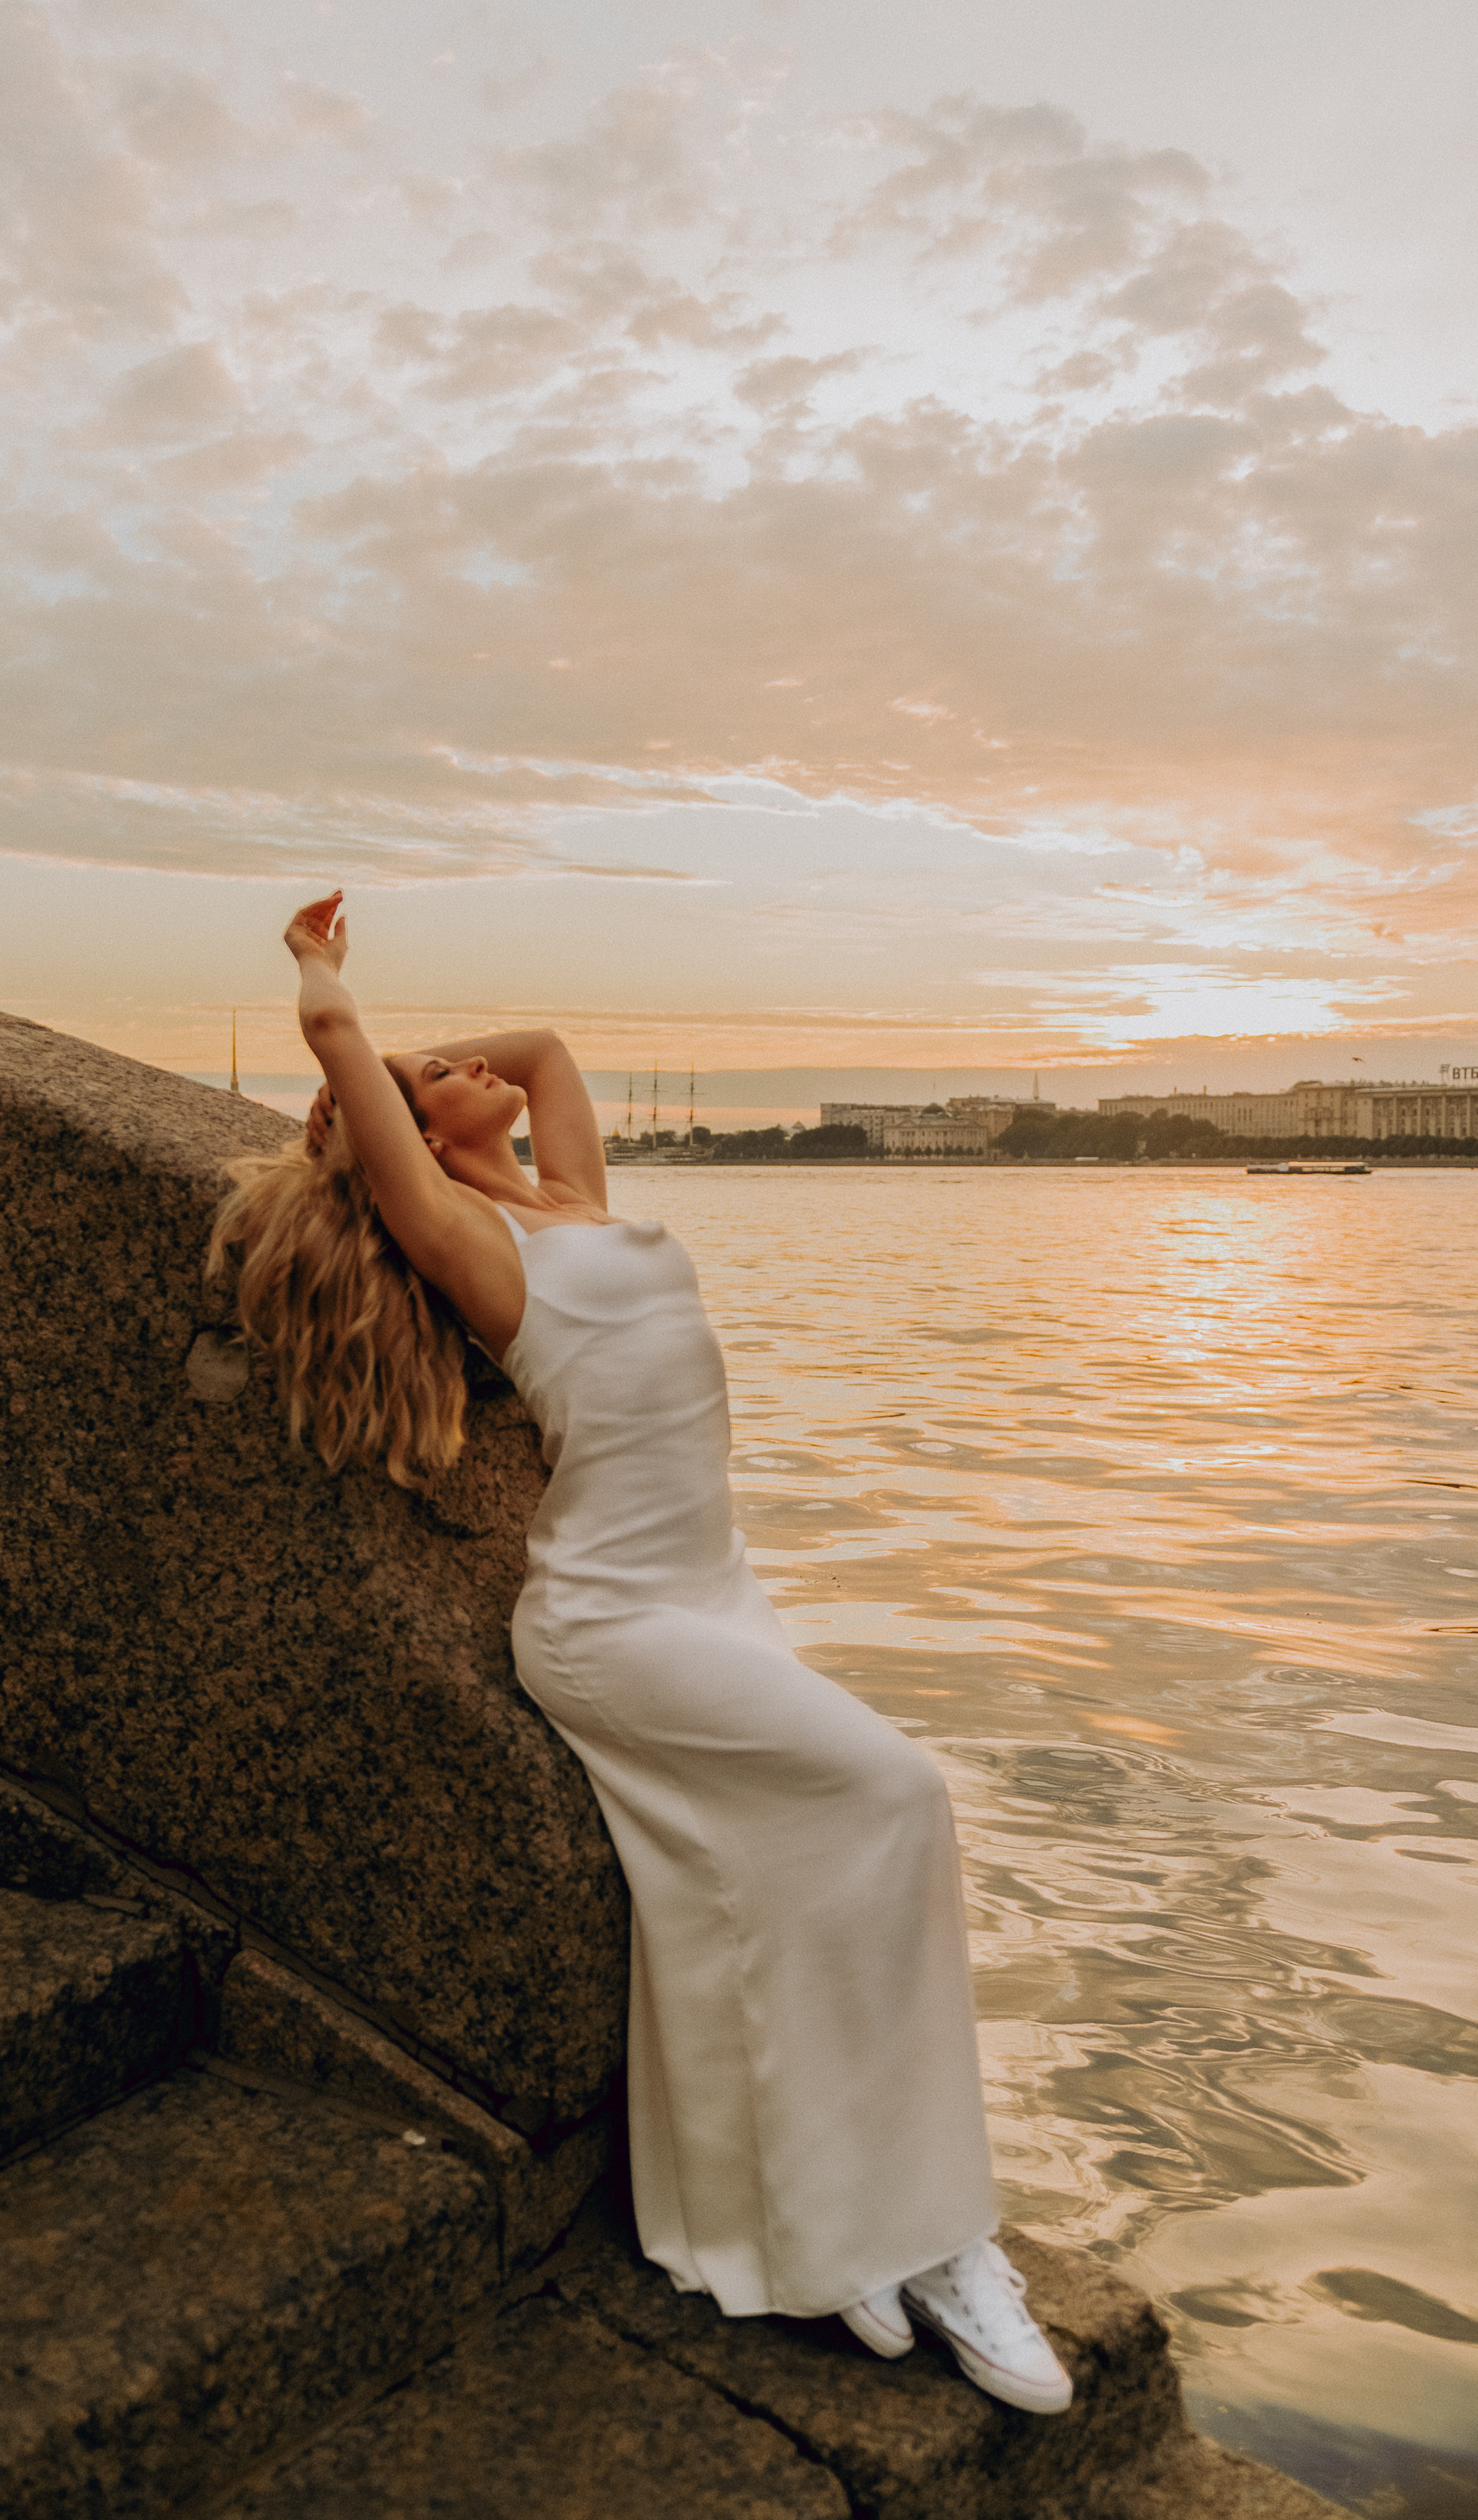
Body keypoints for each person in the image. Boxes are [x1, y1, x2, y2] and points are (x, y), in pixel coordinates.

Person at [207, 889, 1073, 2415]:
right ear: (405, 1139)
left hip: (715, 1595)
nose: (473, 1071)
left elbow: (542, 1048)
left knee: (806, 1877)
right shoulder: (466, 1239)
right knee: (900, 1798)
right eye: (431, 1083)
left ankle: (837, 2221)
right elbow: (342, 1042)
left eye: (449, 1074)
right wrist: (321, 972)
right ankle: (946, 2243)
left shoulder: (569, 1201)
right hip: (612, 1621)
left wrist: (431, 1078)